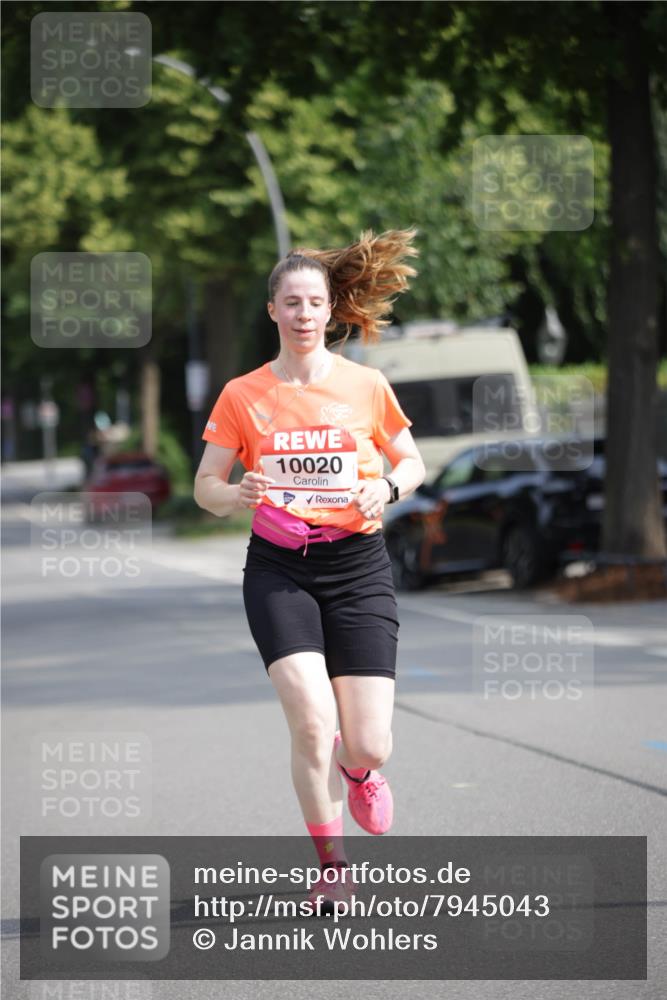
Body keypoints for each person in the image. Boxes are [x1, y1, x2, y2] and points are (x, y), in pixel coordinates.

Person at [194, 229, 426, 910]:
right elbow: (208, 484)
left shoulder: (366, 385)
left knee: (370, 741)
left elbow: (412, 463)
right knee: (306, 719)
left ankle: (358, 770)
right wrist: (232, 494)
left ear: (330, 312)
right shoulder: (243, 394)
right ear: (272, 311)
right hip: (279, 570)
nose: (301, 314)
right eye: (289, 302)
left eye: (313, 303)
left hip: (357, 566)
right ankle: (332, 867)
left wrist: (383, 488)